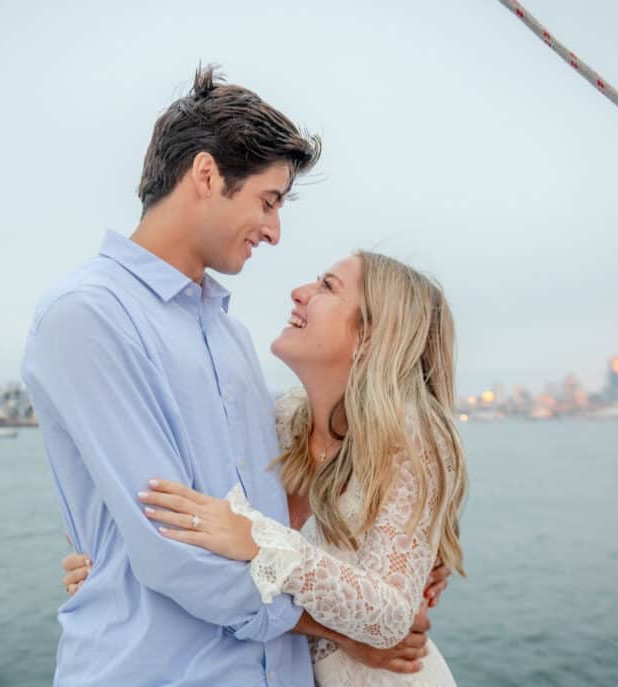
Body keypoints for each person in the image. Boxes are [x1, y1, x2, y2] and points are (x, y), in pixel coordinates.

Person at [22, 65, 442, 687]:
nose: (274, 231)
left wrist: (405, 569)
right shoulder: (89, 316)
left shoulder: (233, 337)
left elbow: (284, 499)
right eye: (268, 202)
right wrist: (341, 627)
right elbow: (177, 554)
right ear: (206, 174)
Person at [65, 253, 467, 686]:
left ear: (369, 334)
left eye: (327, 287)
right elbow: (196, 532)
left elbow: (389, 619)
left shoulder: (411, 437)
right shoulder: (281, 420)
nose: (299, 293)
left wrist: (259, 540)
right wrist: (112, 566)